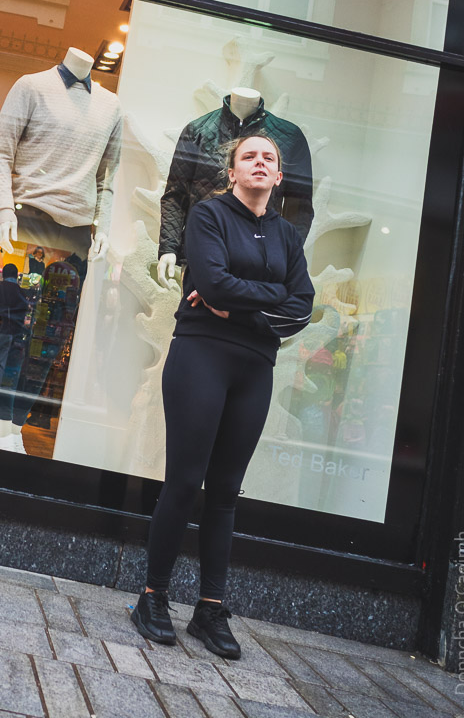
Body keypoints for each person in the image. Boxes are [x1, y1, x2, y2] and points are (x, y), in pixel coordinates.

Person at [131, 134, 315, 659]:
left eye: (269, 159)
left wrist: (240, 306)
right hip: (201, 356)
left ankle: (210, 609)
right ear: (232, 172)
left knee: (227, 491)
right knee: (186, 481)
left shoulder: (288, 237)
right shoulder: (209, 216)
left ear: (279, 177)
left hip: (256, 368)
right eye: (249, 157)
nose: (260, 163)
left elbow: (302, 308)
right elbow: (211, 284)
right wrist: (264, 301)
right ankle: (153, 597)